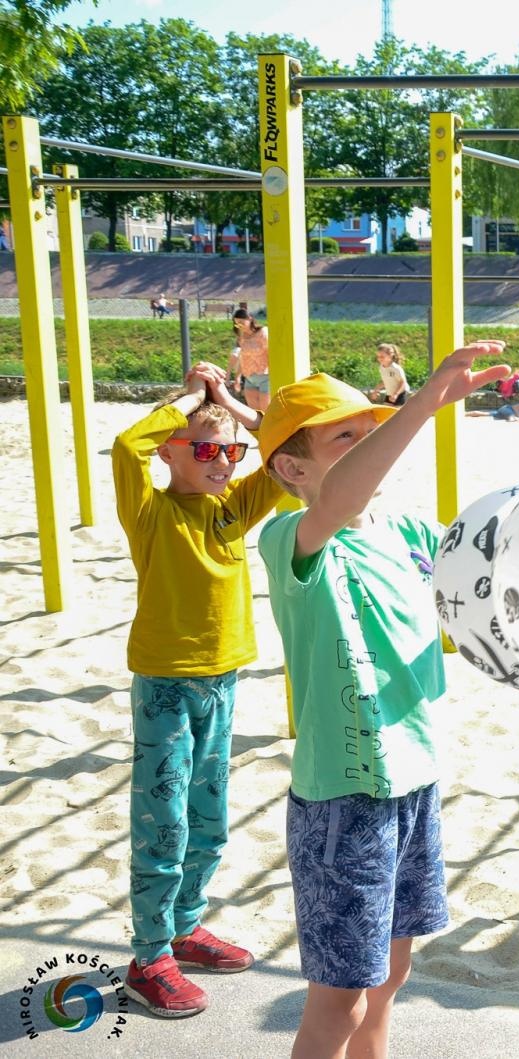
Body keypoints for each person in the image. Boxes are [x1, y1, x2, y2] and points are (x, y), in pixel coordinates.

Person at [256, 344, 511, 1059]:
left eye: (369, 430)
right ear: (291, 467)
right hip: (347, 798)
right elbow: (338, 502)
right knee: (338, 1000)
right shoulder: (291, 539)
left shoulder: (406, 532)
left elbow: (491, 570)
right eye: (346, 435)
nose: (370, 442)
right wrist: (421, 403)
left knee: (393, 972)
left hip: (417, 778)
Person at [112, 360, 280, 1017]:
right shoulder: (152, 512)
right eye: (207, 449)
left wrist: (229, 405)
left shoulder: (234, 507)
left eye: (230, 450)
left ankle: (184, 925)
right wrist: (190, 399)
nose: (224, 460)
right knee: (165, 817)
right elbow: (129, 445)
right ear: (173, 452)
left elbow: (286, 453)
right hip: (165, 685)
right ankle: (149, 953)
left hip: (223, 679)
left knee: (210, 818)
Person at [227, 306, 271, 413]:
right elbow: (243, 358)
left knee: (266, 412)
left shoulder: (263, 332)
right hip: (249, 378)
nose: (239, 325)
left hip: (265, 377)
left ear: (250, 319)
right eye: (237, 323)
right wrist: (237, 377)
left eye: (242, 322)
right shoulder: (242, 337)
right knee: (254, 413)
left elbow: (270, 354)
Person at [369, 343, 409, 407]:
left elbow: (403, 383)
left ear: (390, 356)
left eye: (382, 356)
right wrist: (376, 390)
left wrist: (396, 394)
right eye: (378, 357)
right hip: (390, 394)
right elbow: (384, 381)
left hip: (400, 393)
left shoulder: (396, 368)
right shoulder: (381, 368)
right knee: (386, 411)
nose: (379, 359)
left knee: (398, 414)